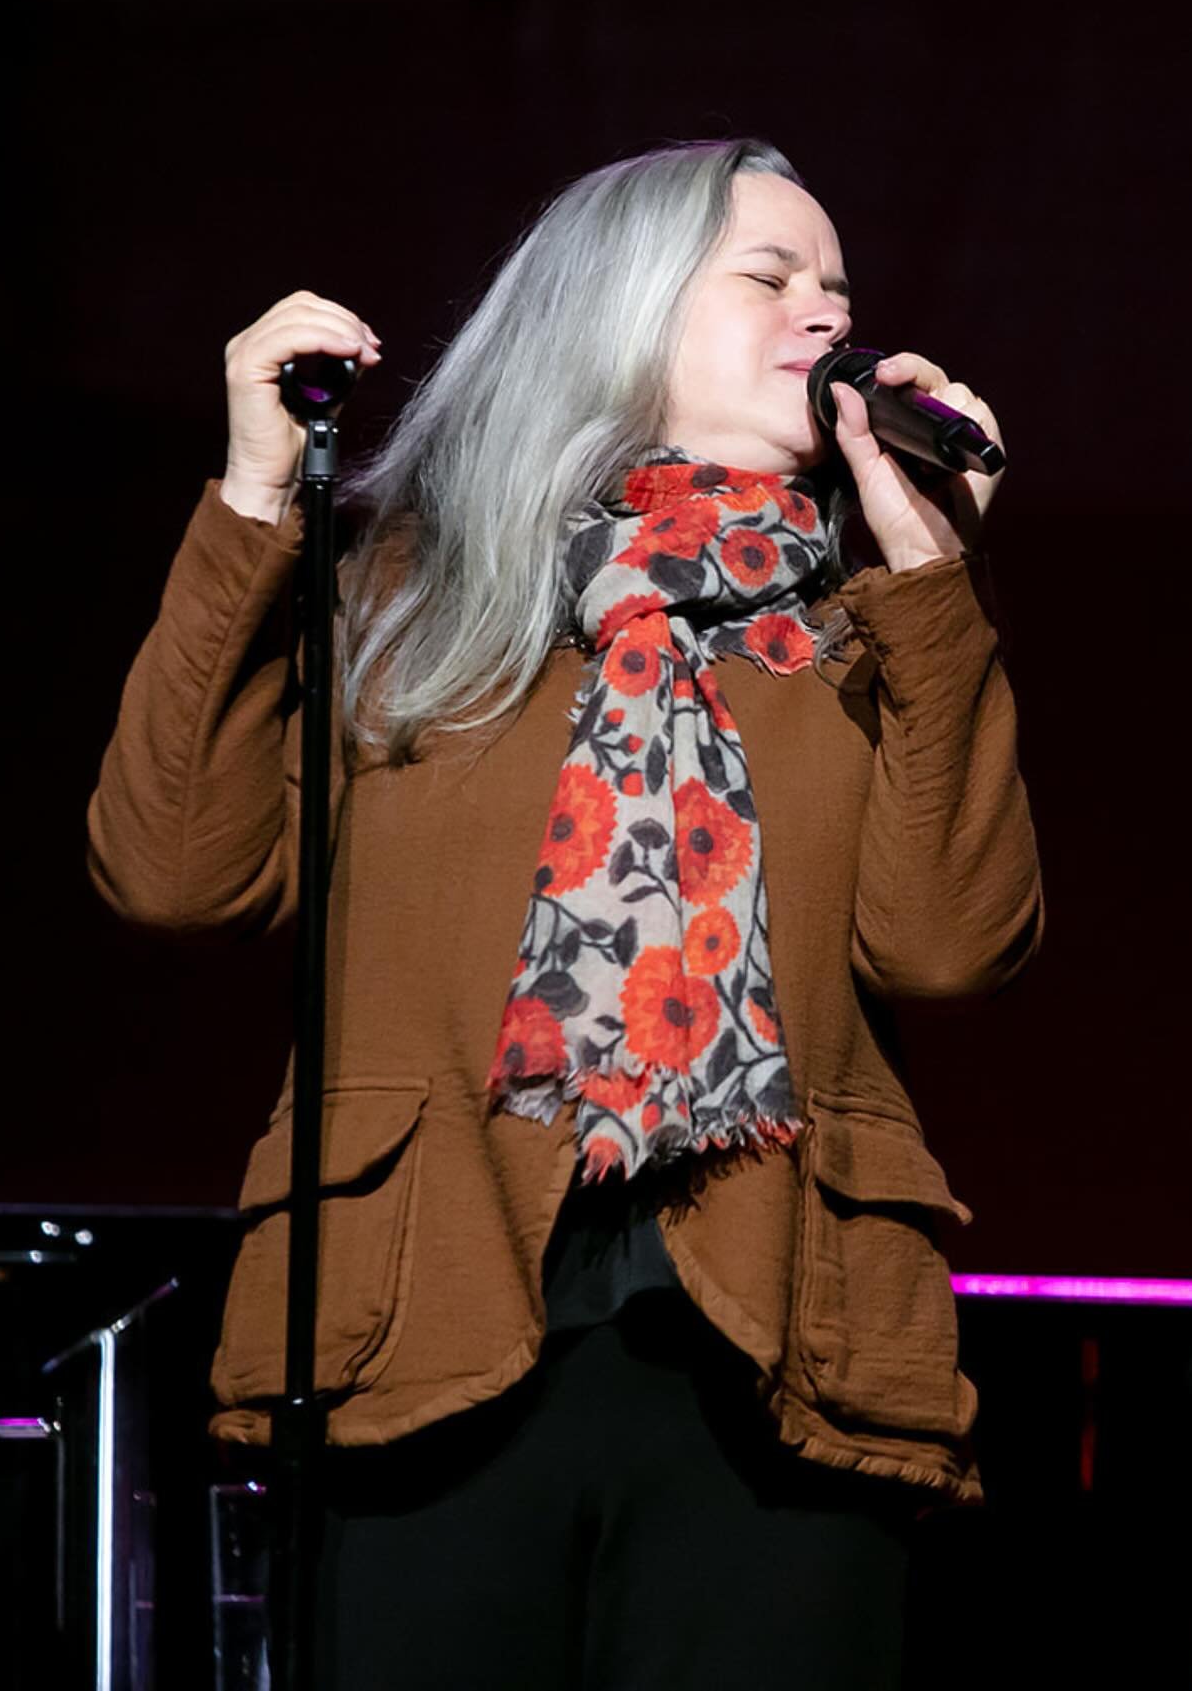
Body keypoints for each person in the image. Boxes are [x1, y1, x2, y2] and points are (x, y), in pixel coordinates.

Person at [88, 138, 1043, 1690]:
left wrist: (935, 576)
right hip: (425, 1332)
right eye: (771, 275)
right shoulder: (405, 589)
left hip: (780, 1362)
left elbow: (950, 945)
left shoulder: (866, 629)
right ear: (618, 305)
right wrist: (257, 496)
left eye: (841, 288)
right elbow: (173, 869)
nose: (827, 313)